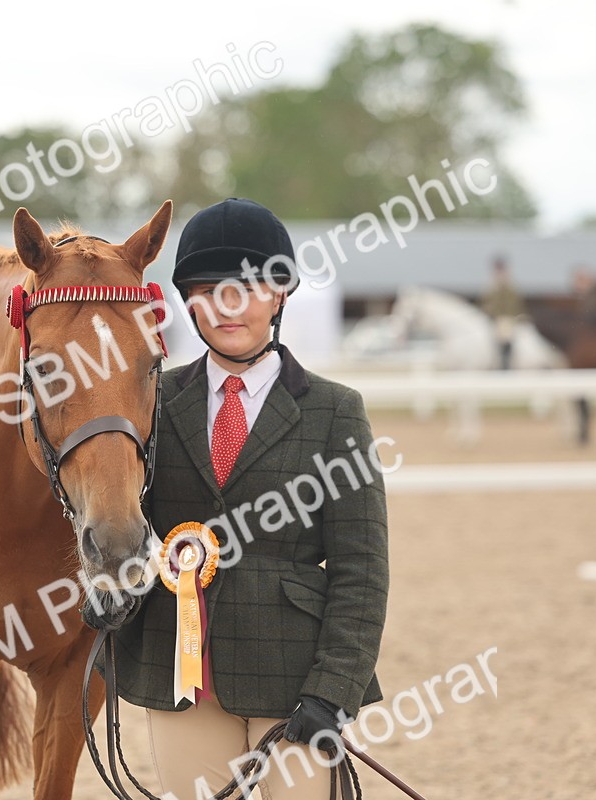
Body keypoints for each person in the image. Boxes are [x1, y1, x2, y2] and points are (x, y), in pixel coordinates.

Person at [84, 198, 389, 800]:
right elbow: (120, 516)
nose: (228, 307)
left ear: (279, 294)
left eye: (248, 288)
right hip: (181, 672)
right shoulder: (151, 403)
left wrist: (335, 689)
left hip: (294, 675)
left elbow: (362, 569)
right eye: (207, 290)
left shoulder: (336, 411)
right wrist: (110, 590)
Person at [480, 255, 526, 370]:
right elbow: (484, 302)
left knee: (504, 332)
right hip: (491, 318)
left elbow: (512, 304)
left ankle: (504, 364)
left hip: (505, 317)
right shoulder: (490, 286)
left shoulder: (509, 286)